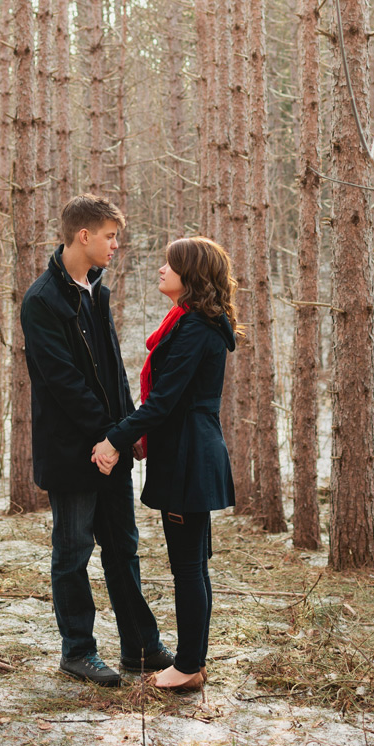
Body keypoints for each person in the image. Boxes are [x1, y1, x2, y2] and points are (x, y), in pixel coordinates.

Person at [20, 194, 172, 687]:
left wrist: (129, 430)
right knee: (73, 552)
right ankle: (78, 651)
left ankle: (141, 648)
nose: (115, 245)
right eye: (109, 236)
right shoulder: (43, 300)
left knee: (123, 548)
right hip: (73, 453)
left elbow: (112, 374)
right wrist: (107, 437)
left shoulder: (96, 292)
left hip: (111, 447)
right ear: (82, 235)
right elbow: (63, 384)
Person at [92, 237, 237, 692]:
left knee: (189, 567)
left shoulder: (195, 328)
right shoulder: (191, 322)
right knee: (193, 563)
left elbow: (165, 400)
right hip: (188, 449)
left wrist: (117, 439)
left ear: (189, 275)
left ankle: (189, 665)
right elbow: (167, 402)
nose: (160, 270)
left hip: (189, 457)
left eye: (169, 265)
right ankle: (193, 661)